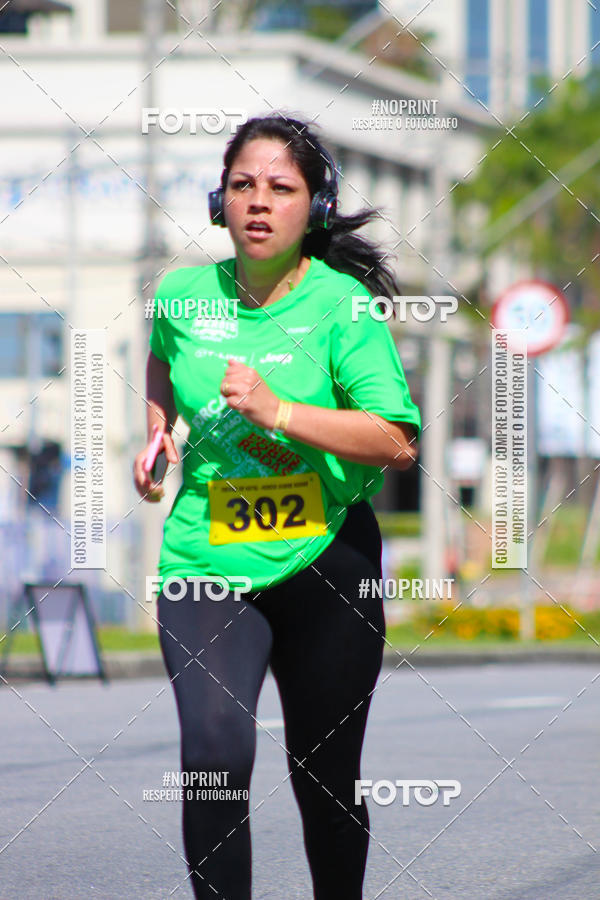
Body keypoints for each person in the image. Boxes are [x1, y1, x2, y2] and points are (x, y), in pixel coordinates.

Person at [133, 112, 421, 900]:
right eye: (242, 184)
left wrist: (279, 412)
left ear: (315, 208)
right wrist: (157, 431)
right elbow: (162, 361)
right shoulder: (182, 295)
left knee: (325, 780)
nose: (258, 200)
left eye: (281, 188)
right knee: (214, 758)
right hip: (206, 558)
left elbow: (396, 441)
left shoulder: (344, 307)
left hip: (328, 559)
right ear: (218, 201)